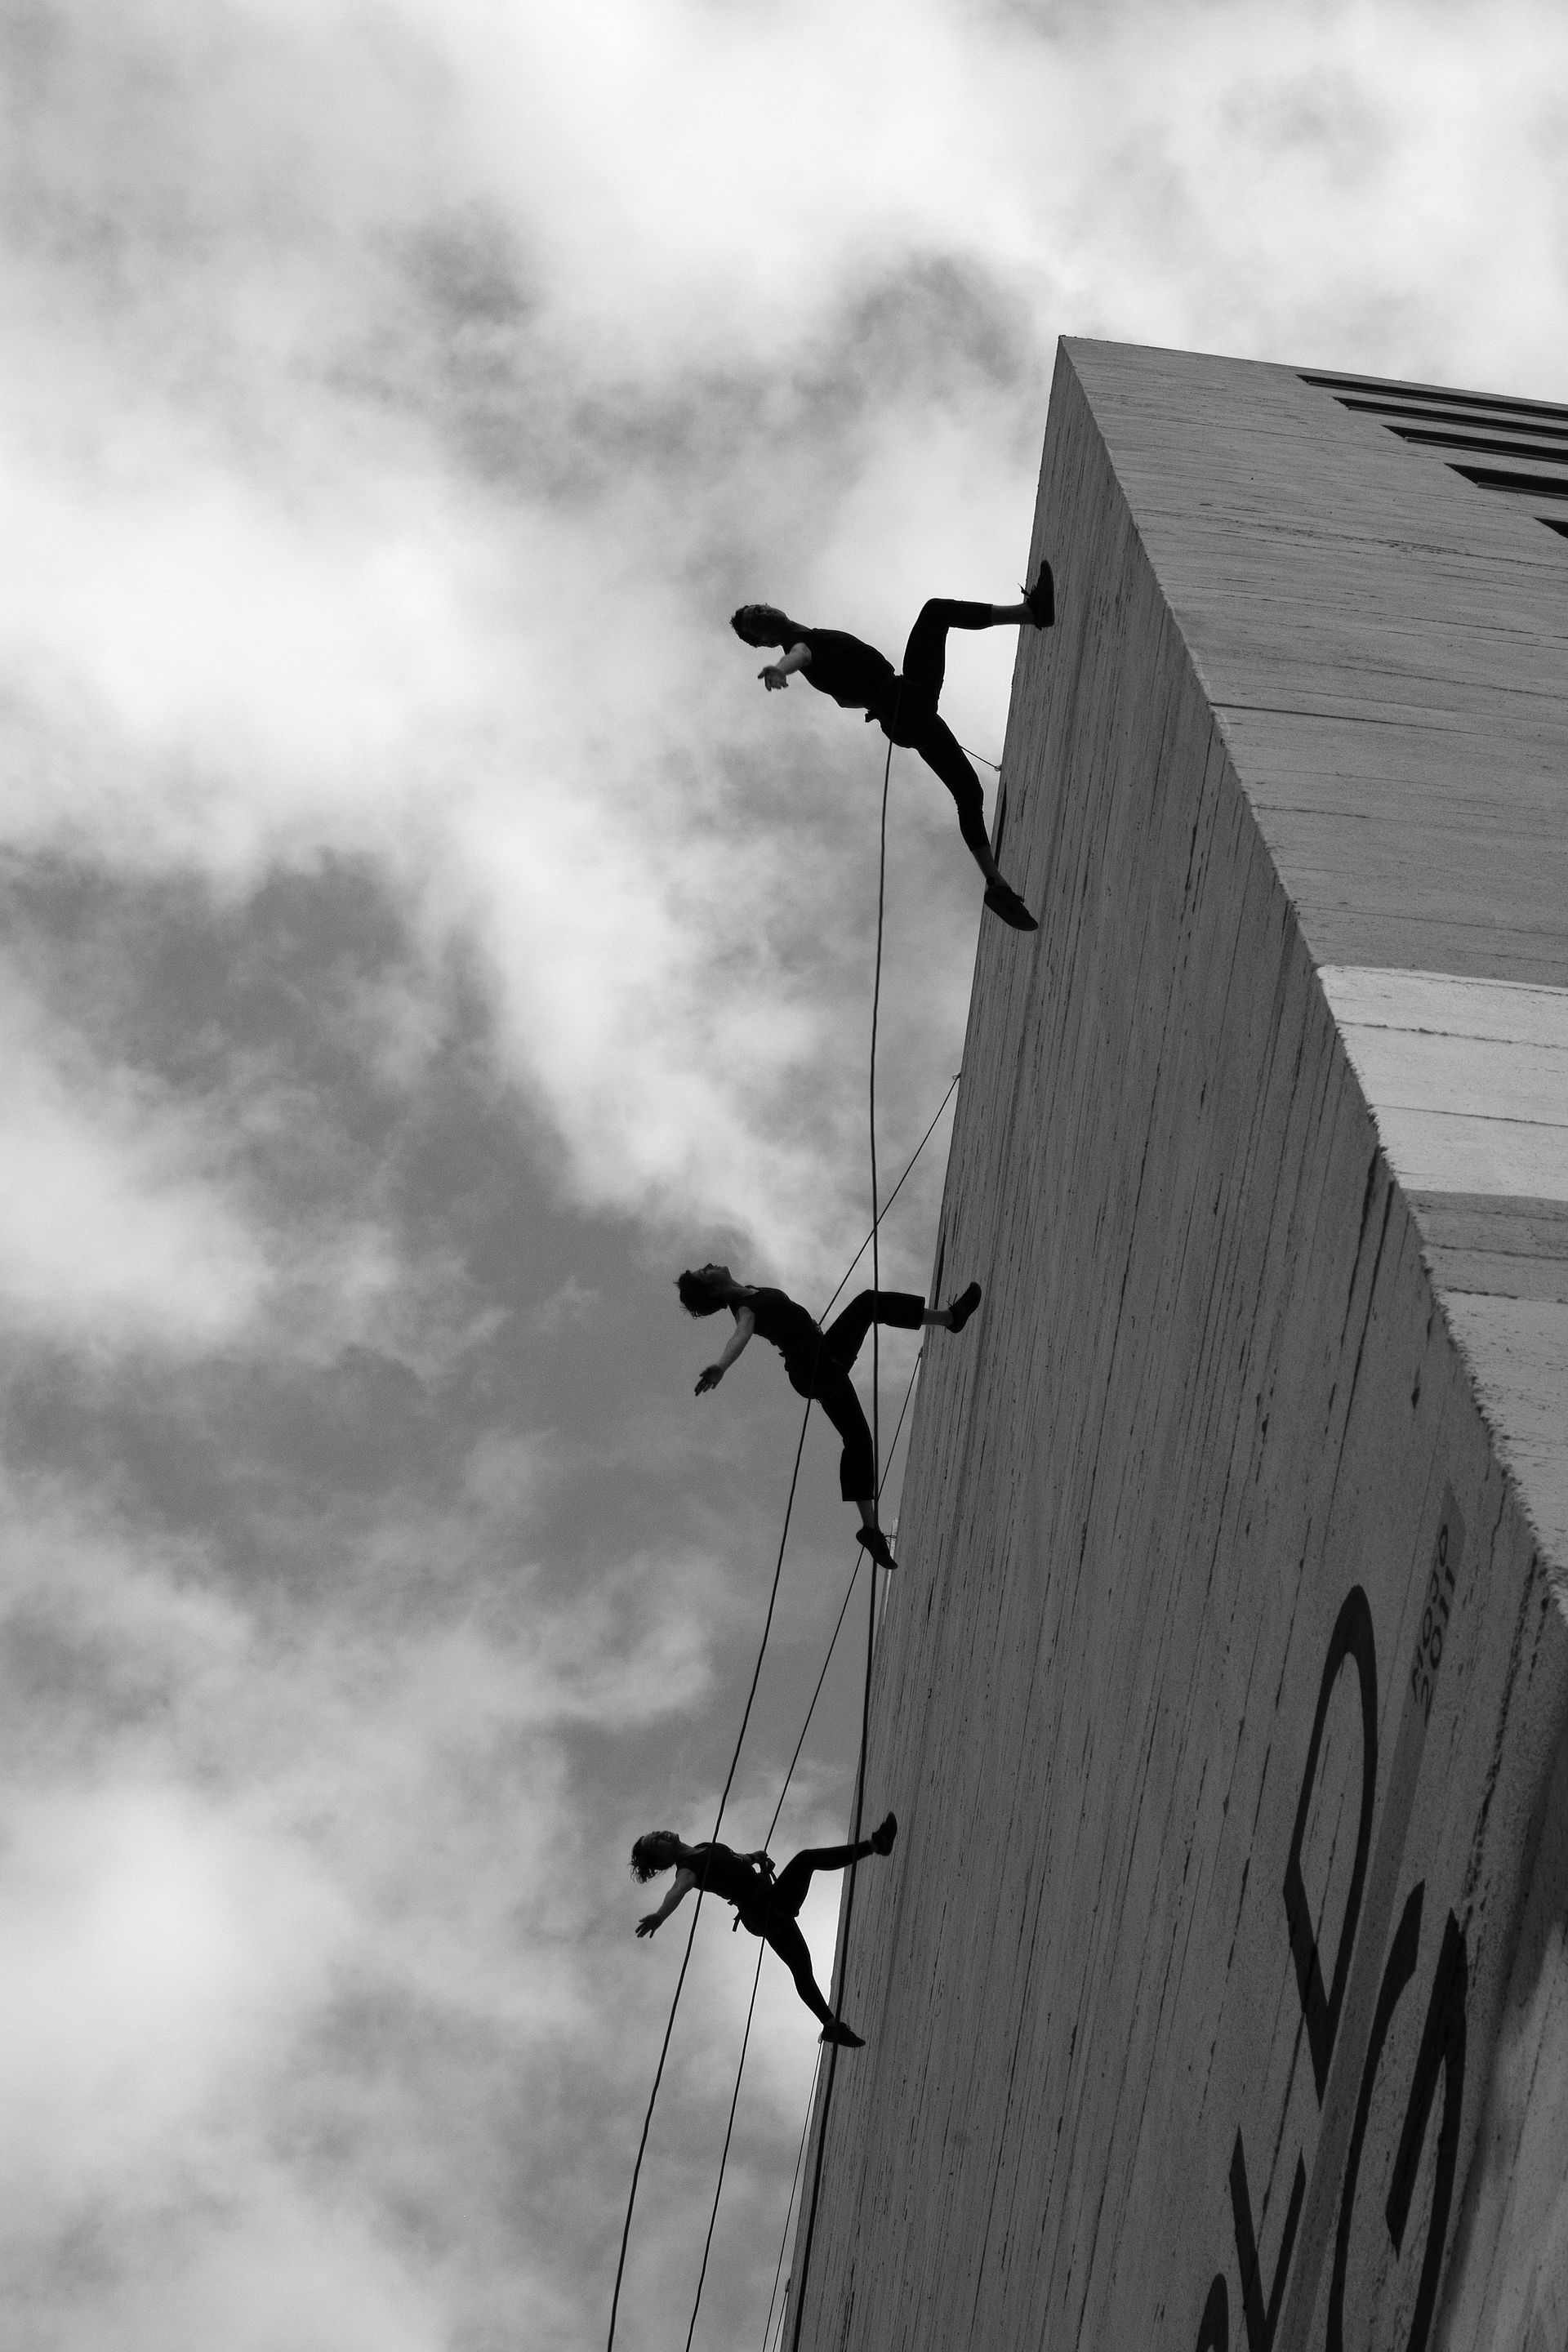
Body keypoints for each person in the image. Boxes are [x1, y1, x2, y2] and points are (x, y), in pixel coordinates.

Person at [730, 563, 1055, 932]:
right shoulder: (800, 646)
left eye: (758, 608)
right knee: (936, 612)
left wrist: (875, 706)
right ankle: (1032, 613)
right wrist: (780, 669)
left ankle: (995, 883)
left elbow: (841, 702)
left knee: (968, 791)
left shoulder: (809, 642)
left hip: (901, 716)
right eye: (755, 623)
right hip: (904, 699)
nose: (762, 612)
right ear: (764, 643)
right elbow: (801, 656)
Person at [675, 1263, 982, 1569]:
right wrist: (721, 1366)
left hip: (820, 1361)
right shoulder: (744, 1309)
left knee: (859, 1439)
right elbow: (740, 1336)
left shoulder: (752, 1290)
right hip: (814, 1365)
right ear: (714, 1289)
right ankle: (950, 1319)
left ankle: (870, 1528)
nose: (709, 1265)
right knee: (867, 1303)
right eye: (704, 1272)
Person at [631, 1815, 899, 2045]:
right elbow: (676, 1891)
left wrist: (754, 1857)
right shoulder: (687, 1870)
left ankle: (831, 2027)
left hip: (769, 1904)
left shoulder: (703, 1847)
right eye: (657, 1842)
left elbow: (735, 1860)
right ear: (663, 1859)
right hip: (763, 1909)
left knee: (802, 1969)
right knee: (806, 1860)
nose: (661, 1835)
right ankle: (876, 1845)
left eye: (656, 1834)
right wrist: (660, 1915)